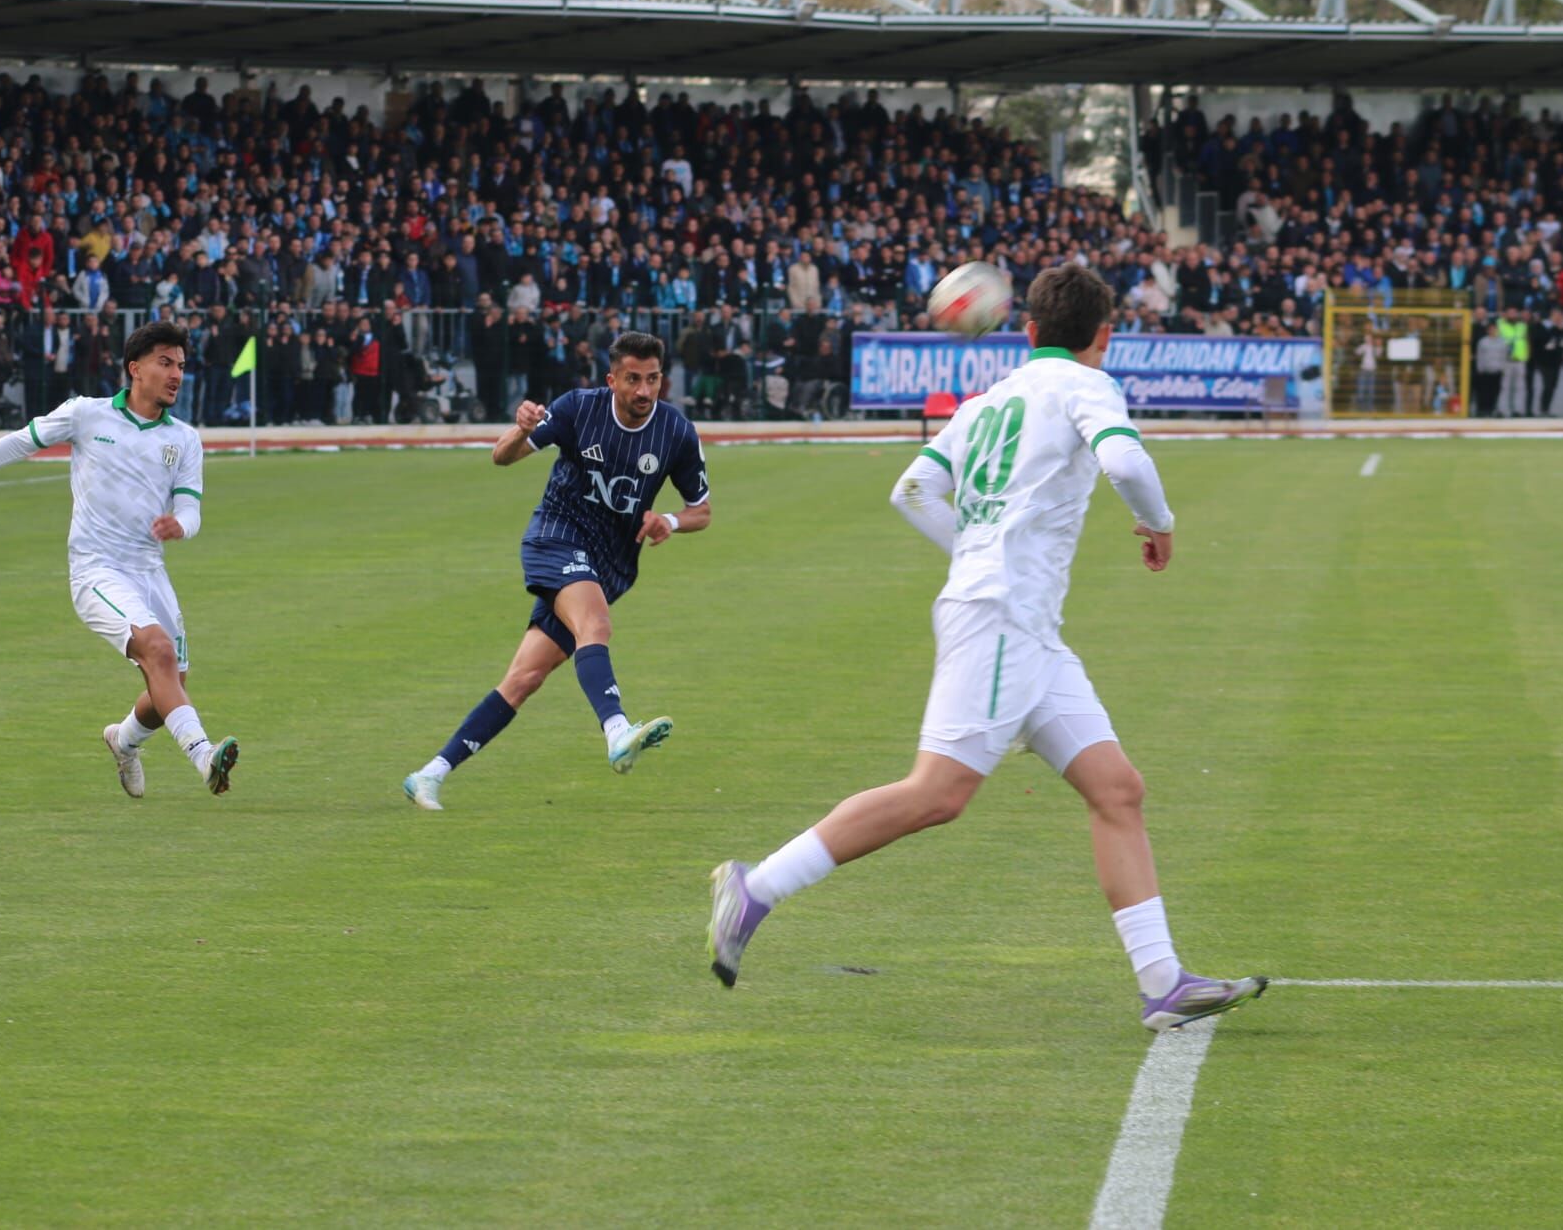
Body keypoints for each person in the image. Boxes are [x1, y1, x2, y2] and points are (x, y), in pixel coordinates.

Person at [705, 265, 1267, 1033]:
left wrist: (974, 552)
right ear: (1104, 335)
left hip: (1022, 626)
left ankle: (1163, 981)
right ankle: (756, 885)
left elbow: (911, 490)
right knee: (937, 793)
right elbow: (1128, 463)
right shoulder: (1087, 384)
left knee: (1116, 788)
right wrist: (1160, 523)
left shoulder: (988, 401)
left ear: (1028, 330)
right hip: (1002, 618)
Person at [0, 322, 239, 799]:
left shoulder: (183, 438)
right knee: (158, 652)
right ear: (134, 368)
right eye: (165, 362)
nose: (176, 374)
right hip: (97, 569)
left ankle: (122, 740)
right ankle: (205, 757)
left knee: (169, 687)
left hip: (150, 570)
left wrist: (182, 525)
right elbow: (20, 440)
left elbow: (189, 507)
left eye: (181, 365)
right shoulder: (87, 414)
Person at [401, 331, 711, 811]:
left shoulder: (675, 432)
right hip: (556, 537)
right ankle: (616, 731)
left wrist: (666, 519)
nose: (644, 391)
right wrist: (522, 428)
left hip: (610, 564)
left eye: (652, 379)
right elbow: (502, 456)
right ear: (612, 380)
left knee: (524, 678)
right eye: (633, 379)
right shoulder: (578, 409)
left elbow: (702, 510)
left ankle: (429, 773)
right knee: (596, 625)